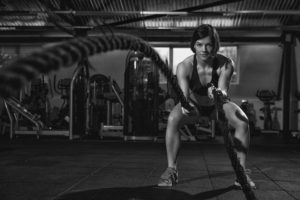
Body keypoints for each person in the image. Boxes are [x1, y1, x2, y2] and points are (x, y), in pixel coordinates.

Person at [157, 24, 256, 189]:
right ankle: (171, 170)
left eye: (208, 44)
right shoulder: (184, 66)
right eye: (199, 44)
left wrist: (217, 93)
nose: (204, 49)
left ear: (215, 45)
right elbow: (184, 97)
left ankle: (241, 173)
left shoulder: (226, 64)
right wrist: (186, 106)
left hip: (217, 105)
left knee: (243, 121)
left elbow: (224, 90)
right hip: (194, 105)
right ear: (193, 45)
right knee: (173, 118)